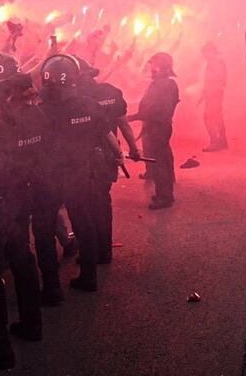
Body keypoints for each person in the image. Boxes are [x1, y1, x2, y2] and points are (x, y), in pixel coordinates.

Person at [33, 54, 121, 297]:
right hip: (80, 176)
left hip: (46, 179)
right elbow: (107, 135)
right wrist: (120, 155)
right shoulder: (88, 105)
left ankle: (51, 289)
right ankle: (89, 278)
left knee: (43, 230)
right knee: (84, 224)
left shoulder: (37, 111)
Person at [0, 56, 44, 370]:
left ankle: (1, 352)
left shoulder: (0, 122)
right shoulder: (39, 116)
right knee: (22, 257)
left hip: (1, 198)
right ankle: (32, 324)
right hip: (25, 195)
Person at [75, 57, 141, 264]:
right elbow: (123, 124)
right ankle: (104, 251)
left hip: (86, 159)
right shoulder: (111, 91)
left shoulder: (77, 98)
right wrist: (133, 148)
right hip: (109, 157)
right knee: (102, 203)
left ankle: (94, 251)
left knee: (86, 205)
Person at [128, 52, 179, 210]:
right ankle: (165, 192)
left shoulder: (162, 84)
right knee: (163, 159)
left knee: (159, 162)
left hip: (157, 127)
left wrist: (131, 117)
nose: (151, 68)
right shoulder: (167, 84)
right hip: (160, 126)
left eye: (153, 64)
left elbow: (153, 109)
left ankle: (165, 196)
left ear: (159, 66)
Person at [199, 42, 228, 152]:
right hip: (214, 94)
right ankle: (222, 141)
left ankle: (215, 142)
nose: (204, 56)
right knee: (217, 118)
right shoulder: (215, 63)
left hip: (214, 94)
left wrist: (208, 93)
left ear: (211, 52)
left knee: (209, 118)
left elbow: (216, 81)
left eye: (205, 53)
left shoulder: (215, 63)